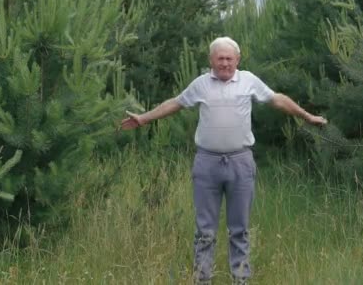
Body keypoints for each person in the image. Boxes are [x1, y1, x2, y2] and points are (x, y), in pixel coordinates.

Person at [120, 37, 327, 284]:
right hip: (207, 165)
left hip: (241, 164)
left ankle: (240, 280)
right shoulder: (201, 84)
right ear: (211, 60)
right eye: (220, 58)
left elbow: (278, 99)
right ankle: (202, 280)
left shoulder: (249, 81)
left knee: (239, 231)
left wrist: (306, 116)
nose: (225, 63)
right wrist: (144, 118)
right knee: (205, 232)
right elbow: (175, 103)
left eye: (229, 58)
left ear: (237, 60)